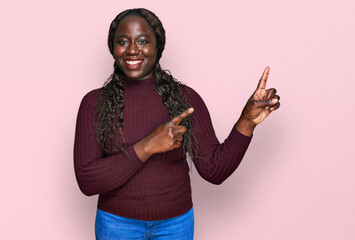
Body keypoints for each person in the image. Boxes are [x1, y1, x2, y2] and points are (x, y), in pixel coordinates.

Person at [74, 8, 280, 240]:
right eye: (123, 41)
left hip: (175, 226)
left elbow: (214, 170)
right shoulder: (94, 103)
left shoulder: (185, 99)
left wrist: (246, 123)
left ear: (158, 47)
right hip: (116, 225)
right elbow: (87, 181)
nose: (132, 49)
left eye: (143, 41)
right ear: (113, 48)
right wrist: (149, 146)